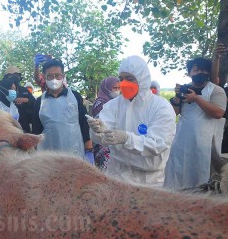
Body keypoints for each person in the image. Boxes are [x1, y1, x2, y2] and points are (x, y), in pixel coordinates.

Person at [88, 56, 176, 188]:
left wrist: (127, 138)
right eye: (121, 79)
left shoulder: (160, 107)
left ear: (142, 79)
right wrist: (98, 130)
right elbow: (102, 136)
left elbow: (158, 144)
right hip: (116, 175)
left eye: (129, 79)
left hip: (148, 181)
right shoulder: (114, 105)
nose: (123, 83)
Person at [165, 57, 227, 190]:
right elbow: (173, 114)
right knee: (178, 176)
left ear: (208, 73)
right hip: (182, 143)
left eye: (204, 70)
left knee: (203, 178)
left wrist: (196, 98)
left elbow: (218, 113)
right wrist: (177, 98)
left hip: (205, 145)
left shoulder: (216, 90)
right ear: (189, 73)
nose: (200, 72)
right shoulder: (185, 89)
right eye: (196, 70)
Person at [32, 59, 94, 164]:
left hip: (75, 151)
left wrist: (89, 149)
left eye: (57, 76)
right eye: (50, 76)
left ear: (63, 76)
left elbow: (84, 123)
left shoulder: (75, 97)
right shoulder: (39, 102)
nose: (54, 79)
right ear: (44, 77)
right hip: (48, 153)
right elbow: (36, 130)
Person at [90, 76, 120, 170]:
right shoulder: (100, 103)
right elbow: (99, 126)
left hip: (114, 140)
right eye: (114, 88)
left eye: (119, 88)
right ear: (106, 88)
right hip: (102, 143)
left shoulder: (117, 102)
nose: (117, 91)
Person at [4, 66, 36, 133]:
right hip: (8, 129)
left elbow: (35, 104)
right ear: (6, 78)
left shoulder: (24, 90)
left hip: (25, 128)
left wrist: (26, 100)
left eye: (16, 75)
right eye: (11, 76)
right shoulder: (2, 91)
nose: (14, 78)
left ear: (19, 77)